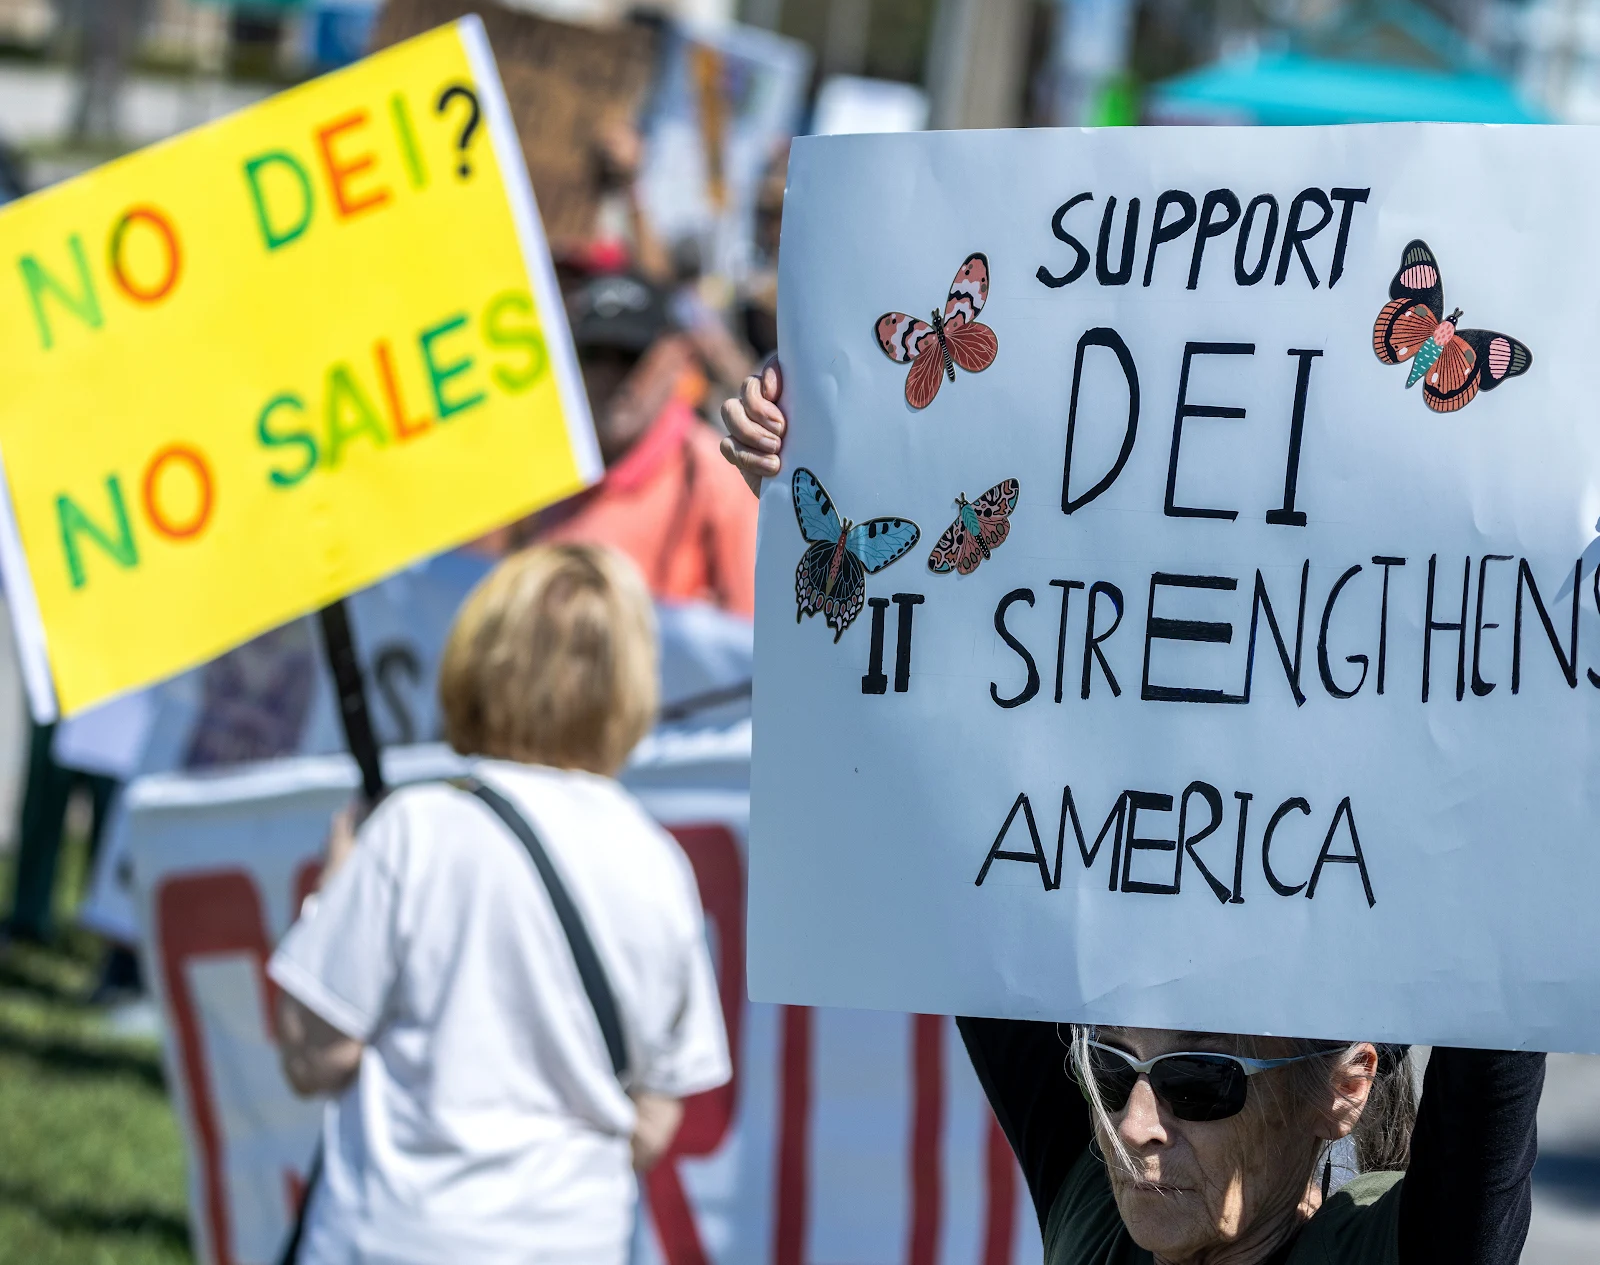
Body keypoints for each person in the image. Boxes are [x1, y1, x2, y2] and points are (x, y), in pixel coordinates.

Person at [719, 361, 1547, 1265]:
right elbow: (954, 805)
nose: (1134, 1125)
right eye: (1111, 1071)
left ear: (1344, 1089)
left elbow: (1501, 971)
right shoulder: (1096, 1218)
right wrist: (829, 481)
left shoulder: (1404, 1250)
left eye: (1201, 1083)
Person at [269, 543, 731, 1265]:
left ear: (481, 655)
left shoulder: (415, 828)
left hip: (393, 1238)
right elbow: (656, 1115)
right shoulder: (659, 863)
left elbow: (316, 1057)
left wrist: (330, 892)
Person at [507, 269, 759, 617]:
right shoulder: (542, 466)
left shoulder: (715, 478)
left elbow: (748, 632)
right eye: (593, 354)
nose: (610, 377)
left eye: (630, 356)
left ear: (679, 359)